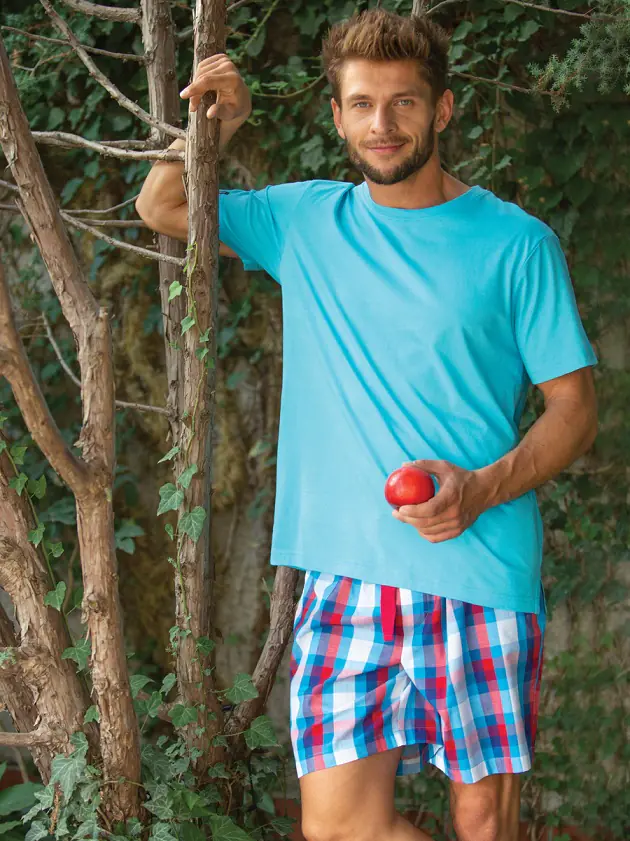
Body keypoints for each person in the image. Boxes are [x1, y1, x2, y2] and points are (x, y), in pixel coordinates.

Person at [136, 9, 599, 841]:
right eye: (362, 104)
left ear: (442, 109)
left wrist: (482, 487)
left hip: (479, 563)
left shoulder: (517, 243)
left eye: (403, 102)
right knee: (339, 826)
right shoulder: (305, 221)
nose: (382, 123)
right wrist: (216, 124)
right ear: (338, 115)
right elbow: (161, 203)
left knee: (482, 821)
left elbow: (576, 407)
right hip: (346, 573)